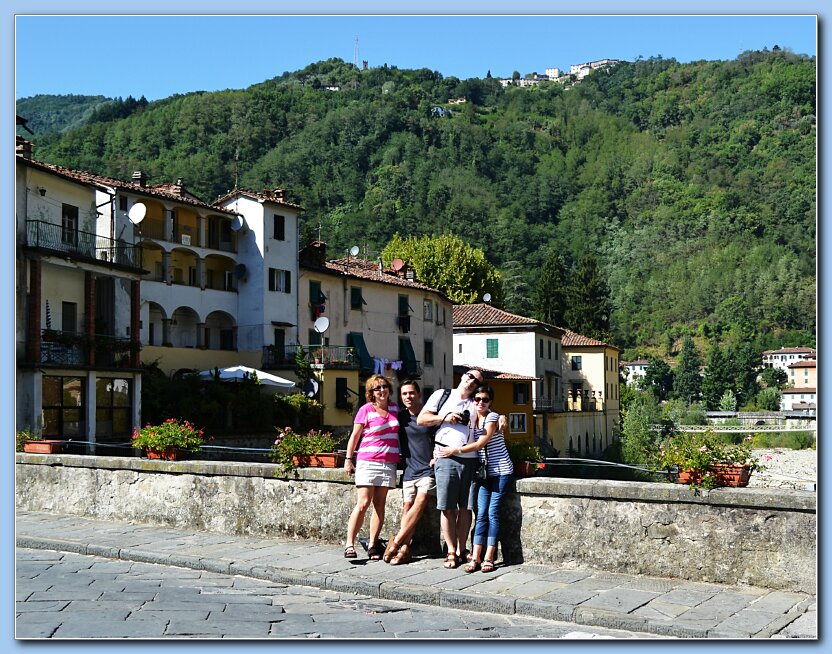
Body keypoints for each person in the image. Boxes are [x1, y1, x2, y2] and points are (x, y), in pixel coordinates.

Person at [417, 369, 484, 569]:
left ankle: (462, 548)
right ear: (463, 376)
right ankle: (451, 550)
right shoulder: (442, 395)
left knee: (466, 508)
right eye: (470, 376)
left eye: (477, 381)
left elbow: (488, 418)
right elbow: (422, 419)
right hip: (446, 458)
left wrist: (501, 419)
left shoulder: (476, 402)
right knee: (447, 508)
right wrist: (445, 418)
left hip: (470, 460)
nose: (472, 381)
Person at [343, 374, 400, 560]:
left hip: (388, 462)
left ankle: (373, 544)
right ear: (371, 393)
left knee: (380, 506)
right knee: (363, 503)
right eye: (377, 388)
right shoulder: (366, 409)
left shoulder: (394, 409)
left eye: (384, 386)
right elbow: (355, 436)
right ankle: (349, 544)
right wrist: (348, 459)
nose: (382, 390)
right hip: (368, 461)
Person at [461, 384, 514, 573]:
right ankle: (476, 557)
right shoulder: (472, 418)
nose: (480, 402)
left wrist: (454, 451)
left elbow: (481, 443)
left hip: (501, 471)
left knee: (492, 513)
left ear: (490, 402)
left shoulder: (492, 418)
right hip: (484, 473)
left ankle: (489, 557)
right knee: (481, 513)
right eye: (477, 399)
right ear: (472, 401)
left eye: (485, 399)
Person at [382, 380, 434, 566]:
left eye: (411, 393)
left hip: (428, 469)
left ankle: (395, 542)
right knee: (407, 509)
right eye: (404, 394)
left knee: (420, 502)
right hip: (409, 470)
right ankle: (405, 550)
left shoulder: (429, 416)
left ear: (419, 394)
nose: (408, 397)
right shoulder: (400, 417)